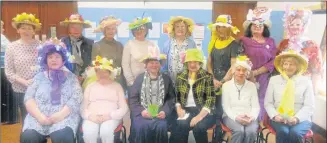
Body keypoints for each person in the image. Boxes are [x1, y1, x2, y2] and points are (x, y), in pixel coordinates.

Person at [20, 38, 83, 143]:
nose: (54, 60)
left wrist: (61, 115)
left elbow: (77, 97)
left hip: (63, 118)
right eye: (50, 57)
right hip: (38, 118)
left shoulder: (71, 78)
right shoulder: (38, 77)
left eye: (57, 57)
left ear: (63, 60)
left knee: (62, 136)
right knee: (28, 137)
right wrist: (40, 116)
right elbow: (28, 98)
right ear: (46, 60)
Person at [264, 49, 314, 143]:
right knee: (283, 131)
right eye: (285, 64)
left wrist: (296, 118)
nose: (288, 67)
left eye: (292, 64)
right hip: (279, 117)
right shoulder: (274, 80)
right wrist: (275, 116)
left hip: (301, 119)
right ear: (282, 65)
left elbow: (309, 106)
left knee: (295, 133)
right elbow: (268, 103)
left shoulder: (306, 81)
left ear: (297, 66)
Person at [128, 45, 175, 143]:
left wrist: (164, 111)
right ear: (146, 65)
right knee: (140, 126)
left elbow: (171, 99)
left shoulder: (166, 79)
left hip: (159, 114)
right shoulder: (139, 79)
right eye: (151, 63)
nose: (154, 65)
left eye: (156, 62)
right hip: (142, 114)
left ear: (160, 64)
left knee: (161, 126)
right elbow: (133, 99)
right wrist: (142, 111)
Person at [206, 14, 242, 142]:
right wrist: (212, 78)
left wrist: (221, 82)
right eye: (219, 27)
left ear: (229, 28)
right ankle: (216, 134)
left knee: (224, 109)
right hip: (213, 81)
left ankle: (223, 134)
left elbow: (234, 67)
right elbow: (209, 63)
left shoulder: (234, 44)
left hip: (227, 83)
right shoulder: (213, 42)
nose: (221, 30)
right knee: (214, 109)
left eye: (224, 27)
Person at [169, 48, 216, 143]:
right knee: (180, 125)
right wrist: (179, 109)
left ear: (200, 63)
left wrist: (199, 117)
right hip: (186, 110)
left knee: (199, 127)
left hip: (203, 110)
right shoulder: (180, 76)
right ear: (186, 63)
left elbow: (210, 100)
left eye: (196, 62)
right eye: (190, 62)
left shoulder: (207, 77)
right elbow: (177, 96)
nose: (193, 65)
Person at [240, 7, 277, 122]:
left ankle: (257, 125)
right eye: (254, 24)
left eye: (260, 25)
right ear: (249, 27)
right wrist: (249, 73)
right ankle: (244, 121)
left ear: (264, 27)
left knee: (261, 100)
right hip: (245, 76)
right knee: (245, 99)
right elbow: (240, 57)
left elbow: (273, 61)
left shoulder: (270, 41)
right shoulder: (243, 40)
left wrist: (256, 72)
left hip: (263, 78)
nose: (257, 26)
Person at [81, 56, 128, 143]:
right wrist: (90, 116)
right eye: (99, 72)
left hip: (111, 117)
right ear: (95, 73)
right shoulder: (90, 86)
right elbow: (82, 107)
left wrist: (110, 115)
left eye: (105, 72)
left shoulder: (117, 86)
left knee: (106, 131)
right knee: (89, 132)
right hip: (92, 116)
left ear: (110, 73)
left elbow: (124, 108)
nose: (102, 75)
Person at [5, 12, 42, 124]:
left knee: (41, 118)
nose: (26, 31)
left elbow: (47, 66)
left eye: (29, 28)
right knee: (27, 120)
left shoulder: (41, 45)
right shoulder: (11, 47)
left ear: (34, 31)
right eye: (23, 28)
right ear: (18, 30)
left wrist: (36, 81)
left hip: (40, 88)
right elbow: (9, 71)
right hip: (21, 89)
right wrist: (25, 82)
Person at [277, 7, 322, 94]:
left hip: (302, 87)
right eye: (292, 24)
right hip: (283, 84)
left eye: (298, 24)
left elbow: (316, 71)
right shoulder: (283, 43)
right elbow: (277, 65)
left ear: (303, 25)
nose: (294, 27)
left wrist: (313, 91)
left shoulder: (312, 45)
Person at [222, 55, 260, 143]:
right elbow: (226, 107)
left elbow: (256, 107)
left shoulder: (252, 86)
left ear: (247, 72)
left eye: (244, 70)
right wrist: (237, 117)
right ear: (233, 72)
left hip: (249, 116)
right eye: (238, 70)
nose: (241, 73)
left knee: (250, 132)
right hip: (230, 116)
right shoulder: (226, 86)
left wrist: (252, 117)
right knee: (239, 131)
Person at [90, 15, 127, 91]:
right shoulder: (97, 45)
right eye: (108, 29)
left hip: (119, 81)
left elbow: (123, 64)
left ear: (115, 30)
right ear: (104, 31)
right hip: (104, 81)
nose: (111, 31)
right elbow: (95, 66)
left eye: (113, 29)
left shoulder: (120, 45)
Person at [122, 16, 157, 88]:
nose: (139, 31)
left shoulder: (151, 44)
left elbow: (154, 64)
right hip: (133, 84)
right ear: (133, 31)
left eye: (142, 28)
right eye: (136, 29)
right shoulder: (129, 44)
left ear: (146, 30)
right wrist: (131, 82)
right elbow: (125, 65)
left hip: (149, 83)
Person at [161, 16, 196, 85]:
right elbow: (163, 63)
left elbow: (195, 62)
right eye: (177, 26)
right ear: (173, 29)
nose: (180, 29)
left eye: (183, 26)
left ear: (187, 29)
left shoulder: (192, 44)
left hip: (186, 83)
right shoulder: (167, 43)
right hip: (170, 82)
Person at [60, 13, 94, 81]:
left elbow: (92, 62)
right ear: (69, 28)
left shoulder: (90, 43)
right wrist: (71, 77)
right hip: (67, 80)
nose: (76, 30)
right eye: (73, 27)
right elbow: (60, 62)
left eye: (79, 27)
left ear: (83, 28)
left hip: (86, 79)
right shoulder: (62, 42)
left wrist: (84, 76)